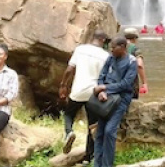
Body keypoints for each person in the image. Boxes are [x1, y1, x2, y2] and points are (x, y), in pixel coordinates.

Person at [59, 30, 111, 161]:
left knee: (69, 114)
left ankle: (69, 132)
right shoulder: (106, 56)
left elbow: (70, 69)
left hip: (78, 89)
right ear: (103, 41)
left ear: (93, 38)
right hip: (94, 92)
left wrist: (63, 85)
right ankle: (89, 157)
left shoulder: (80, 49)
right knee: (92, 125)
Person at [93, 37, 138, 167]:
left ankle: (107, 165)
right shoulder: (110, 58)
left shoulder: (131, 62)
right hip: (106, 99)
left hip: (121, 99)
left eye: (114, 47)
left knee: (109, 131)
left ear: (123, 47)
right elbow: (101, 76)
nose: (111, 50)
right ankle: (97, 164)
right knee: (100, 131)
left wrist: (106, 88)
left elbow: (126, 84)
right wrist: (101, 91)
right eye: (111, 47)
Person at [124, 28, 148, 95]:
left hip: (117, 82)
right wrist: (144, 83)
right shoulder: (135, 48)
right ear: (135, 38)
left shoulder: (117, 47)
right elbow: (139, 65)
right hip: (131, 82)